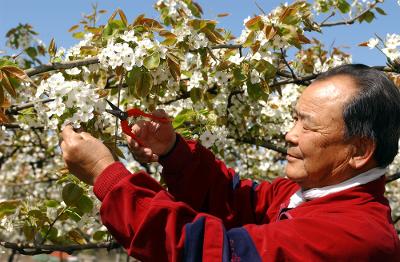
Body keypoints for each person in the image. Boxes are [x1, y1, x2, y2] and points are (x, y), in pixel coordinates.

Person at [61, 64, 400, 261]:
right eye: (294, 119)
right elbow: (240, 199)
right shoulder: (310, 194)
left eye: (307, 125)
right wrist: (173, 151)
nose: (289, 134)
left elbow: (213, 252)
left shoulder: (353, 236)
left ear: (359, 151)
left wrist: (107, 176)